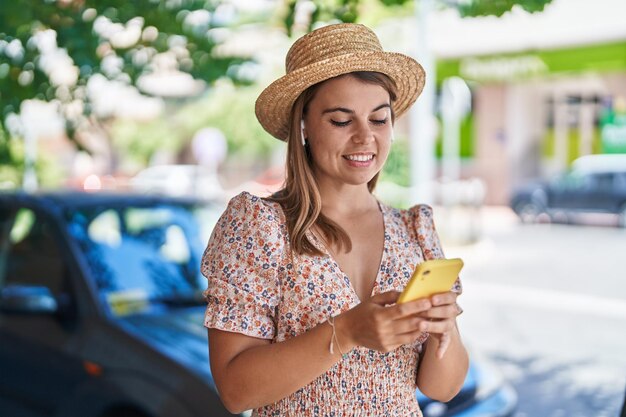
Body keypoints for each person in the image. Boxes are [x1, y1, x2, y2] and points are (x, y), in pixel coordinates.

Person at [201, 23, 468, 416]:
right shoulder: (260, 226)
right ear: (304, 126)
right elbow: (235, 390)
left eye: (379, 119)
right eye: (342, 121)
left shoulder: (414, 229)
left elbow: (441, 388)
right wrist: (346, 332)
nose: (365, 138)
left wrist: (445, 330)